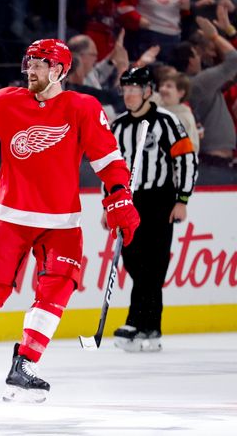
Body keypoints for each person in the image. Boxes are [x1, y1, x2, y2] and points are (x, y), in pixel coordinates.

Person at [0, 39, 140, 402]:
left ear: (60, 70)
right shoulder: (8, 100)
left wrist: (119, 196)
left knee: (57, 290)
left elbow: (108, 160)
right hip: (9, 216)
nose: (30, 70)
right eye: (30, 63)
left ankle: (26, 363)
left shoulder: (82, 107)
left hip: (62, 221)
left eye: (39, 64)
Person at [109, 67, 198, 352]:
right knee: (134, 262)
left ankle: (137, 322)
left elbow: (185, 158)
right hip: (128, 202)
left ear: (148, 91)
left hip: (159, 200)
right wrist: (109, 204)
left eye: (135, 88)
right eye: (126, 89)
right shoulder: (119, 125)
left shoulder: (167, 121)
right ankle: (150, 327)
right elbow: (111, 168)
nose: (129, 94)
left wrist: (182, 200)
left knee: (154, 264)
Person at [169, 17, 237, 170]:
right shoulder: (199, 82)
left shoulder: (193, 83)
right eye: (196, 54)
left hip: (214, 156)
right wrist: (214, 36)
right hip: (213, 157)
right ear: (191, 61)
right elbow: (233, 60)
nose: (200, 58)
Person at [158, 71, 200, 153]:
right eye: (162, 85)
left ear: (181, 93)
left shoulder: (185, 118)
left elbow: (191, 148)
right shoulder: (153, 109)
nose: (163, 89)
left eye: (169, 86)